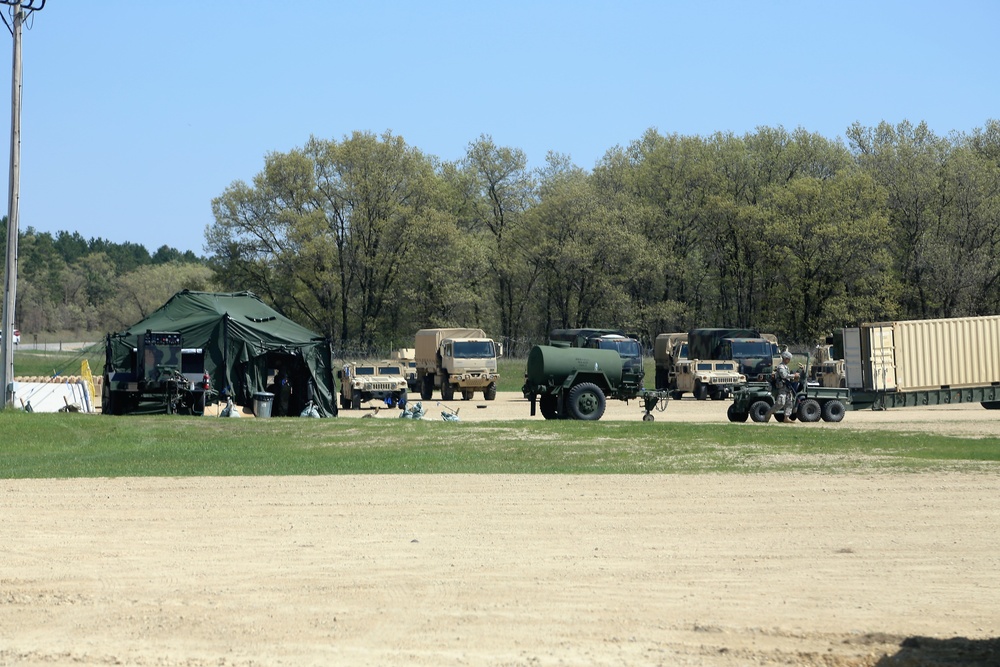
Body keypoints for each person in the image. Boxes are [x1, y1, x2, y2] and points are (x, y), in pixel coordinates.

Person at [767, 350, 800, 421]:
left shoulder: (786, 367)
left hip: (787, 387)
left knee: (789, 403)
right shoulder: (781, 367)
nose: (789, 361)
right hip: (782, 387)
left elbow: (788, 378)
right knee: (780, 403)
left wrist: (794, 378)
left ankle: (786, 418)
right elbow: (784, 375)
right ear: (785, 358)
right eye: (788, 359)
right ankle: (768, 413)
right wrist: (794, 375)